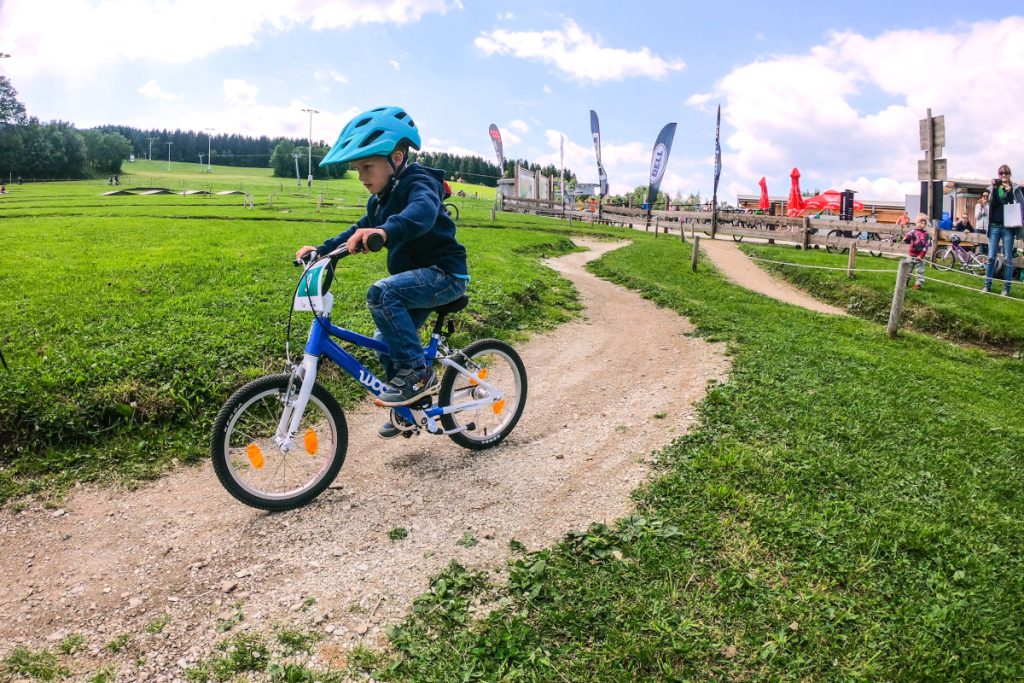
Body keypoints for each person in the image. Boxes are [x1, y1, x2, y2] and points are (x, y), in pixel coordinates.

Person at [294, 106, 469, 438]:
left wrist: (385, 232)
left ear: (397, 158)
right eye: (357, 169)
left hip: (444, 274)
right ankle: (409, 408)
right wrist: (323, 250)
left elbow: (422, 212)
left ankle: (418, 376)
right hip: (418, 282)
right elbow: (357, 229)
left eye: (367, 166)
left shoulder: (420, 182)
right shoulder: (379, 202)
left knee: (382, 292)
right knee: (382, 341)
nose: (362, 177)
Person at [982, 164, 1024, 296]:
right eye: (1001, 173)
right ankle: (987, 286)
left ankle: (1006, 289)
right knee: (991, 257)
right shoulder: (994, 188)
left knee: (1008, 258)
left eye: (1006, 173)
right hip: (994, 225)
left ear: (1010, 174)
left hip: (1008, 227)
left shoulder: (1016, 189)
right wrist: (995, 187)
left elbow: (1019, 206)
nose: (1003, 176)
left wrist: (1010, 190)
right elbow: (993, 203)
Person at [902, 213, 931, 290]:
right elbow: (908, 235)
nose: (920, 224)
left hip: (919, 257)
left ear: (925, 224)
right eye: (918, 222)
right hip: (911, 255)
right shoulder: (913, 231)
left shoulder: (926, 234)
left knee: (920, 271)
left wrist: (921, 255)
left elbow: (926, 246)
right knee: (908, 269)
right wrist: (906, 238)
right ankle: (905, 282)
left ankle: (918, 284)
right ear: (915, 222)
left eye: (922, 222)